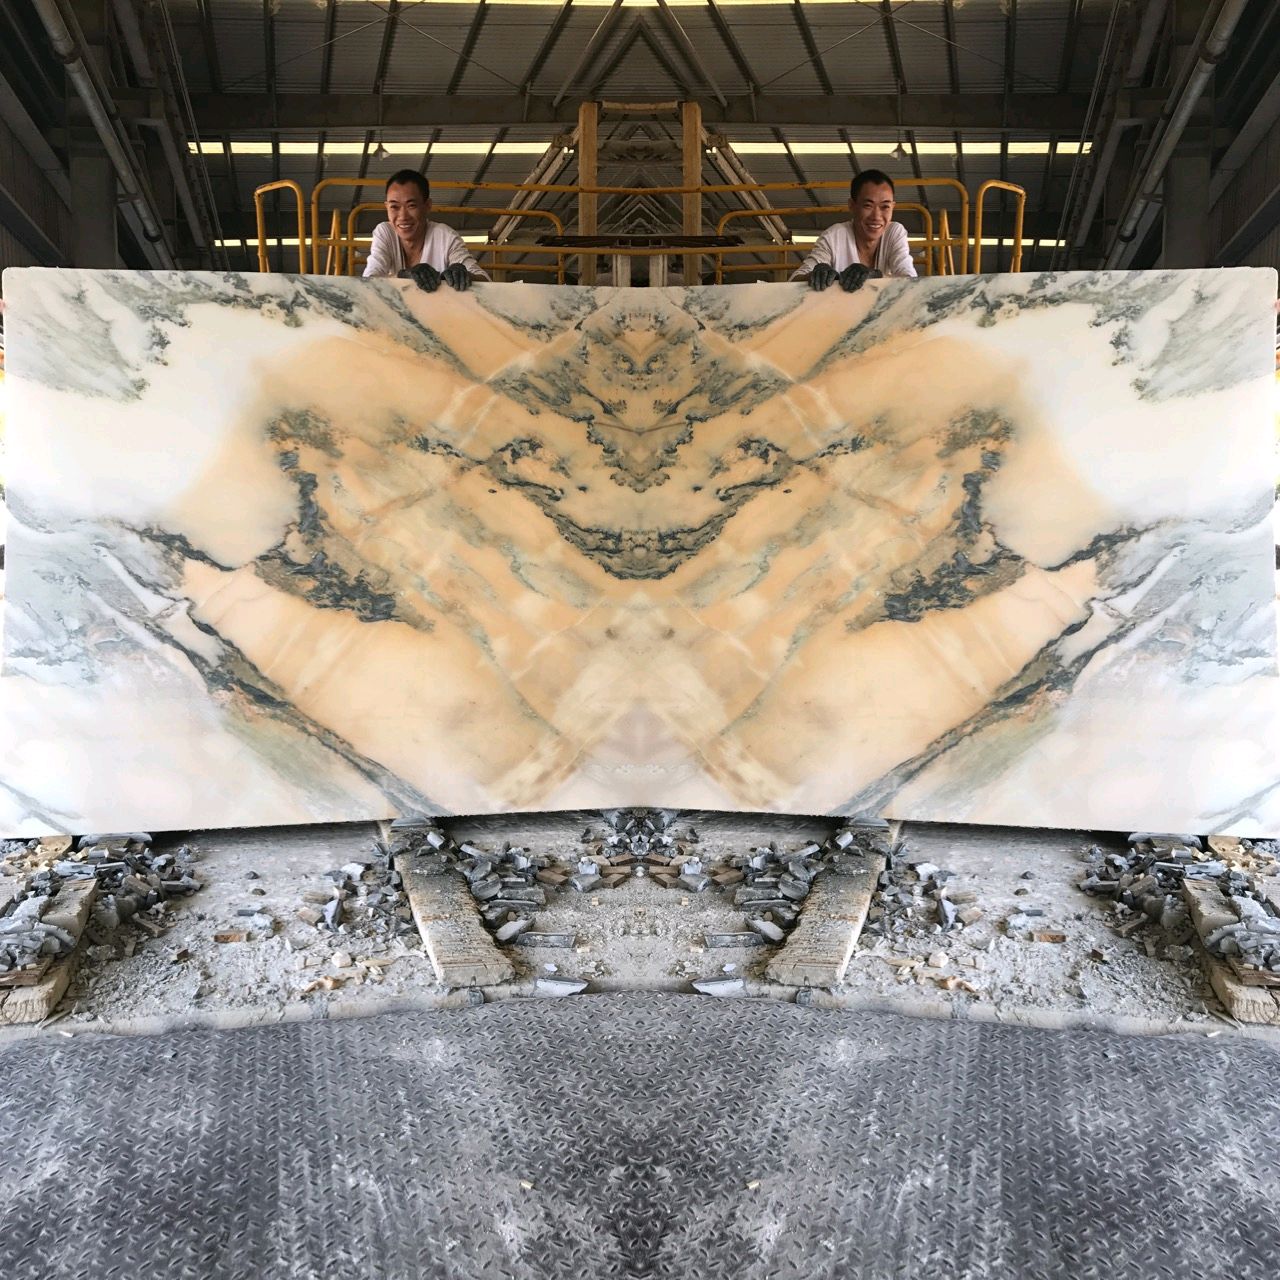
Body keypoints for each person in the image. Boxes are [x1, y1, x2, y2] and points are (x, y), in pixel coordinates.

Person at [792, 168, 917, 293]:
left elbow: (911, 281)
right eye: (868, 206)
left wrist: (876, 276)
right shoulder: (834, 236)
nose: (876, 217)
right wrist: (814, 275)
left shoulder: (894, 232)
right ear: (852, 205)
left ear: (893, 207)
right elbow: (794, 280)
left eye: (885, 207)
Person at [362, 169, 489, 292]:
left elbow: (485, 280)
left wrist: (465, 275)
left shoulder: (445, 236)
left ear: (427, 205)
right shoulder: (385, 232)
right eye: (394, 207)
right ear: (386, 207)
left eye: (411, 206)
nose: (403, 217)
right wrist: (403, 276)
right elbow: (368, 280)